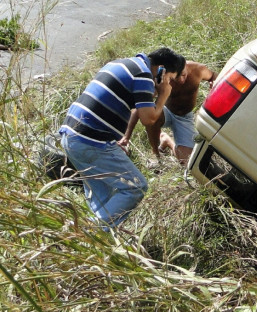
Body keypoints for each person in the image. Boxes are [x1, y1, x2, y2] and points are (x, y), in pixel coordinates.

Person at [59, 48, 186, 229]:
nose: (169, 84)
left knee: (103, 197)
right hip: (91, 141)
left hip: (72, 136)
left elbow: (139, 103)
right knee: (135, 187)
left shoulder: (124, 63)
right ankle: (85, 231)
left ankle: (90, 242)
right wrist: (164, 93)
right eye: (170, 79)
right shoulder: (142, 75)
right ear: (162, 71)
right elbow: (148, 118)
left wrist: (156, 90)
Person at [122, 60, 217, 165]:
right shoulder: (161, 78)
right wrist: (127, 136)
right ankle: (155, 152)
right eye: (176, 77)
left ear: (186, 65)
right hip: (165, 110)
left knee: (188, 161)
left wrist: (214, 82)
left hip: (184, 117)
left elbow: (213, 75)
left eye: (184, 75)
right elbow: (140, 106)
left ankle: (166, 140)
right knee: (150, 118)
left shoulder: (198, 69)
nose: (181, 80)